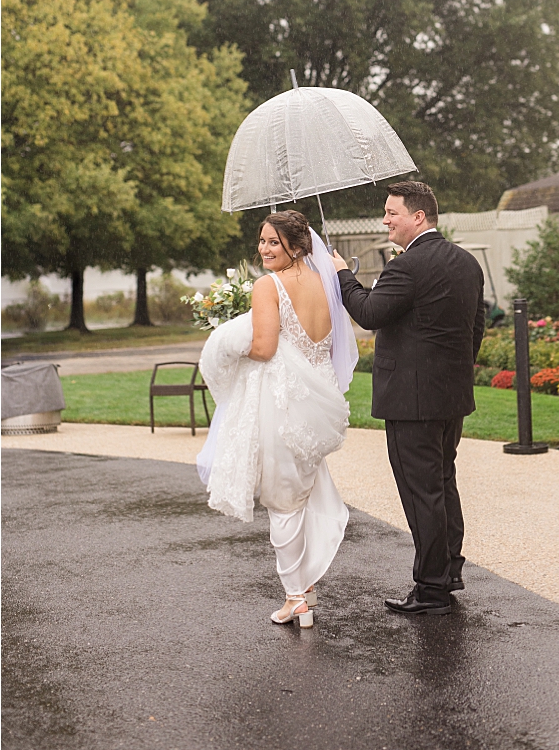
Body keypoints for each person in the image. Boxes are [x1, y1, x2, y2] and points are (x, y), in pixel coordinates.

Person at [331, 180, 486, 617]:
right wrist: (453, 372)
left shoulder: (407, 266)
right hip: (451, 396)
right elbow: (476, 329)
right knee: (442, 484)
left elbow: (369, 313)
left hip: (411, 401)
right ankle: (448, 572)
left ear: (418, 217)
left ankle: (432, 588)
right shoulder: (466, 262)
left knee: (422, 492)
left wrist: (343, 274)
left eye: (392, 213)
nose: (385, 220)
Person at [197, 210, 356, 628]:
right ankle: (305, 586)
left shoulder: (268, 286)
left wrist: (230, 342)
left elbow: (265, 348)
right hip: (318, 406)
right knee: (303, 494)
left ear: (297, 245)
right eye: (262, 241)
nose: (264, 249)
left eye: (273, 242)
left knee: (283, 502)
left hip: (283, 408)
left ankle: (295, 599)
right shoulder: (325, 282)